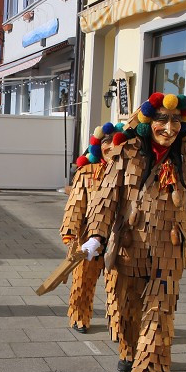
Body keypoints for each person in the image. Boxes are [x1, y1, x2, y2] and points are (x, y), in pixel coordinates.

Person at [81, 92, 186, 372]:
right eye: (162, 120)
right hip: (130, 247)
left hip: (170, 249)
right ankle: (129, 350)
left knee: (159, 315)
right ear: (148, 122)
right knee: (127, 313)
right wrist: (96, 237)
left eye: (176, 122)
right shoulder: (124, 152)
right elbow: (106, 199)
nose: (169, 128)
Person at [60, 126, 122, 345]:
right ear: (99, 146)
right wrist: (69, 231)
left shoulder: (127, 174)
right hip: (87, 236)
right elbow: (75, 204)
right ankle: (79, 316)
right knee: (83, 280)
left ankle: (118, 325)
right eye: (107, 142)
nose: (112, 147)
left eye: (117, 142)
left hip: (118, 238)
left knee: (117, 283)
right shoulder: (87, 173)